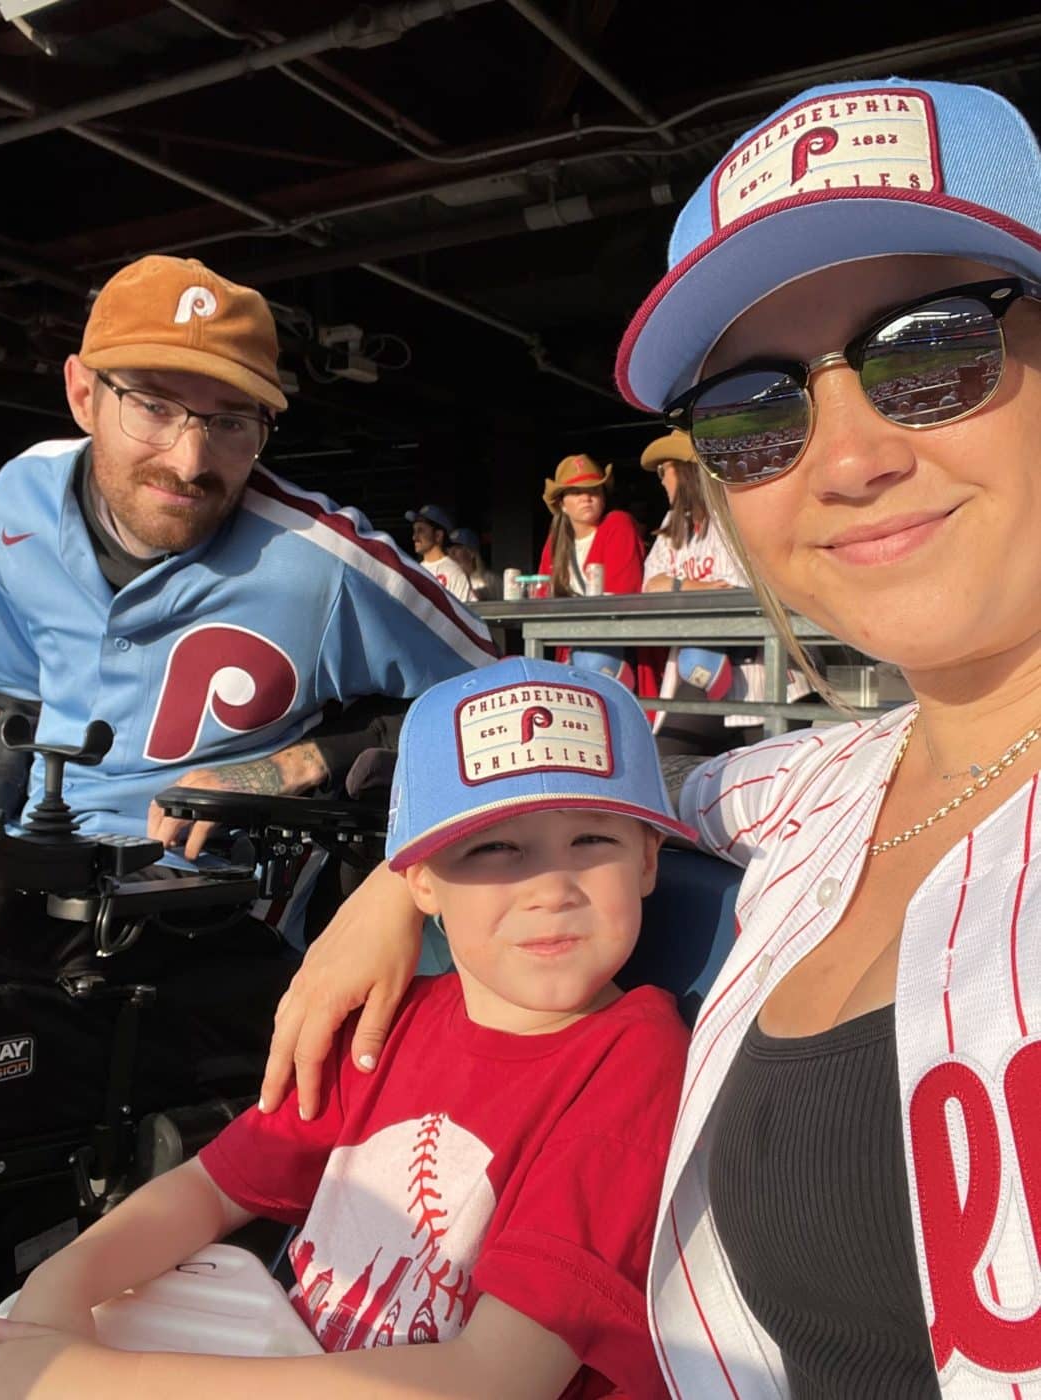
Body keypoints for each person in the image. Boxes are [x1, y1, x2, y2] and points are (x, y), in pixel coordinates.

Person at [252, 75, 1041, 1397]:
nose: (841, 460)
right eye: (750, 410)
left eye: (928, 347)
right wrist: (399, 885)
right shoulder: (809, 783)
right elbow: (615, 786)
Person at [0, 656, 693, 1400]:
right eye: (494, 848)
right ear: (417, 879)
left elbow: (497, 1377)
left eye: (593, 841)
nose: (551, 888)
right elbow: (212, 1187)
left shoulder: (632, 1059)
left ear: (648, 858)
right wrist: (53, 1294)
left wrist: (93, 1379)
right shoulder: (389, 1023)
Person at [0, 255, 494, 942]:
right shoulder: (14, 499)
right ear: (83, 395)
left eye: (231, 422)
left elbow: (498, 700)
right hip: (28, 875)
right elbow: (12, 701)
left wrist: (291, 765)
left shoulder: (325, 564)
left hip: (205, 919)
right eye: (154, 405)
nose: (190, 460)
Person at [640, 430, 814, 751]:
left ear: (685, 470)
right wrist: (692, 586)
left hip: (766, 671)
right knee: (666, 756)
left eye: (665, 470)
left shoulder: (734, 512)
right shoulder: (674, 522)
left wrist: (679, 586)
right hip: (701, 670)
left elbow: (739, 590)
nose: (662, 480)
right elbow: (650, 586)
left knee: (770, 779)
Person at [538, 454, 645, 598]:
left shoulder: (618, 524)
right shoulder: (555, 541)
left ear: (603, 499)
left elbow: (622, 594)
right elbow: (542, 595)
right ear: (562, 504)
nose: (586, 498)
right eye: (576, 492)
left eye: (594, 490)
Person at [405, 502, 474, 602]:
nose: (414, 537)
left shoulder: (454, 573)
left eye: (421, 531)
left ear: (438, 535)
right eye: (414, 531)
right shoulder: (414, 571)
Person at [448, 525, 502, 600]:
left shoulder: (491, 580)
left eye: (457, 548)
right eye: (449, 548)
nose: (451, 553)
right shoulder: (447, 579)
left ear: (471, 552)